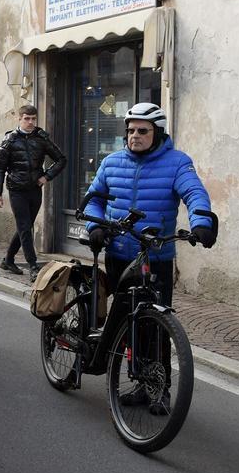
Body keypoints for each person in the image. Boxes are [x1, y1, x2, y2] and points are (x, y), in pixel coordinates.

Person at [83, 103, 215, 412]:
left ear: (157, 133)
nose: (134, 136)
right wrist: (95, 226)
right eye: (130, 130)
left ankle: (159, 390)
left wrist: (202, 222)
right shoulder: (112, 162)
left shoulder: (177, 163)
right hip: (118, 254)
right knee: (128, 322)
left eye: (143, 131)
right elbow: (92, 200)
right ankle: (136, 379)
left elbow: (195, 193)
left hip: (155, 259)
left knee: (156, 325)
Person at [0, 104, 67, 278]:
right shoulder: (9, 140)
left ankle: (8, 260)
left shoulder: (41, 138)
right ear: (19, 119)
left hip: (35, 188)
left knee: (25, 226)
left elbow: (61, 159)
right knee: (25, 227)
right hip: (17, 189)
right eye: (27, 119)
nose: (30, 122)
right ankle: (33, 266)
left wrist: (46, 176)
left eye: (33, 119)